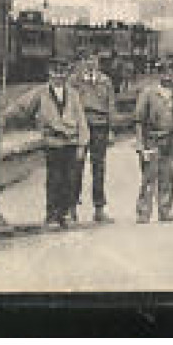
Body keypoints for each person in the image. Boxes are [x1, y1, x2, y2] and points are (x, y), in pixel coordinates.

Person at [3, 59, 90, 230]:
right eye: (55, 72)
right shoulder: (40, 93)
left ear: (66, 74)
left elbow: (81, 119)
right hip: (53, 142)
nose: (59, 76)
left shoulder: (73, 94)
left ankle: (66, 214)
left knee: (70, 180)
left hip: (71, 142)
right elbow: (22, 107)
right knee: (54, 179)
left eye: (62, 72)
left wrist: (82, 144)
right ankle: (52, 215)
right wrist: (5, 117)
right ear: (49, 74)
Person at [133, 61, 173, 223]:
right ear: (158, 74)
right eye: (164, 72)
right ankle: (143, 212)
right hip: (152, 140)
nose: (168, 75)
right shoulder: (148, 93)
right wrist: (140, 144)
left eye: (171, 72)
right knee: (149, 176)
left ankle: (165, 210)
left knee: (169, 175)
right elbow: (139, 119)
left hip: (171, 140)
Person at [70, 53, 116, 224]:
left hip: (100, 127)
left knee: (98, 169)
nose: (90, 63)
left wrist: (111, 129)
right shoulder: (74, 81)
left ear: (98, 62)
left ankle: (99, 209)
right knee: (76, 168)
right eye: (87, 59)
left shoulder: (106, 81)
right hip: (80, 127)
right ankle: (72, 208)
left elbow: (111, 105)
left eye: (94, 59)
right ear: (82, 62)